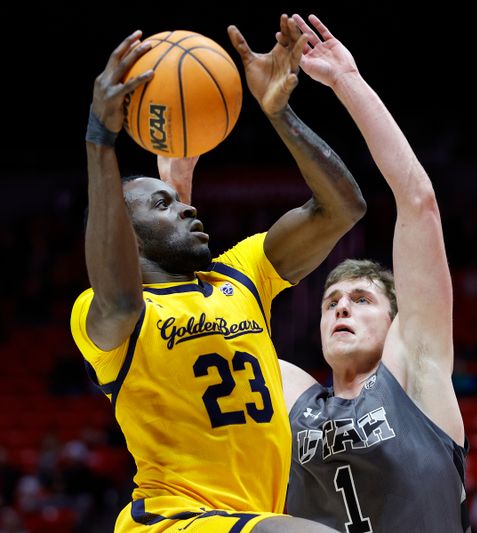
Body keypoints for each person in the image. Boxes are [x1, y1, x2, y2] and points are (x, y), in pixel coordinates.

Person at [70, 14, 366, 533]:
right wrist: (101, 139)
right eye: (163, 205)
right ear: (127, 231)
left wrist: (279, 113)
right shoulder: (114, 314)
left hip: (251, 516)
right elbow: (117, 301)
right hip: (171, 521)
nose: (187, 208)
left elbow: (342, 208)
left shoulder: (242, 275)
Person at [279, 14, 469, 533]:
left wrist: (346, 81)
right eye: (331, 301)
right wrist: (176, 175)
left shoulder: (417, 376)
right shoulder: (296, 397)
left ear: (396, 324)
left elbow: (417, 202)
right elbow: (203, 329)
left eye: (362, 299)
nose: (340, 306)